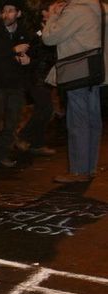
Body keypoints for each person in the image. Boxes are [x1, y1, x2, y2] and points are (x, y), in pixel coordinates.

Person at [43, 0, 103, 183]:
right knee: (92, 119)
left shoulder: (76, 10)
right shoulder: (97, 7)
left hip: (76, 71)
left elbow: (49, 38)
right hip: (94, 69)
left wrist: (52, 17)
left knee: (78, 120)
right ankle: (89, 167)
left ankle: (78, 171)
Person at [0, 1, 32, 169]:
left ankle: (3, 155)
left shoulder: (24, 33)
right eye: (4, 11)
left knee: (11, 122)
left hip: (16, 85)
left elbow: (33, 55)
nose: (6, 14)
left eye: (10, 11)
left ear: (19, 13)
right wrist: (12, 50)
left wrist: (27, 61)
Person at [16, 0, 57, 157]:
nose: (59, 10)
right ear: (44, 13)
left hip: (46, 77)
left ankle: (37, 144)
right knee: (46, 109)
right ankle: (23, 136)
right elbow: (28, 51)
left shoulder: (55, 29)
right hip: (35, 77)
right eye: (55, 8)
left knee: (42, 109)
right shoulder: (37, 32)